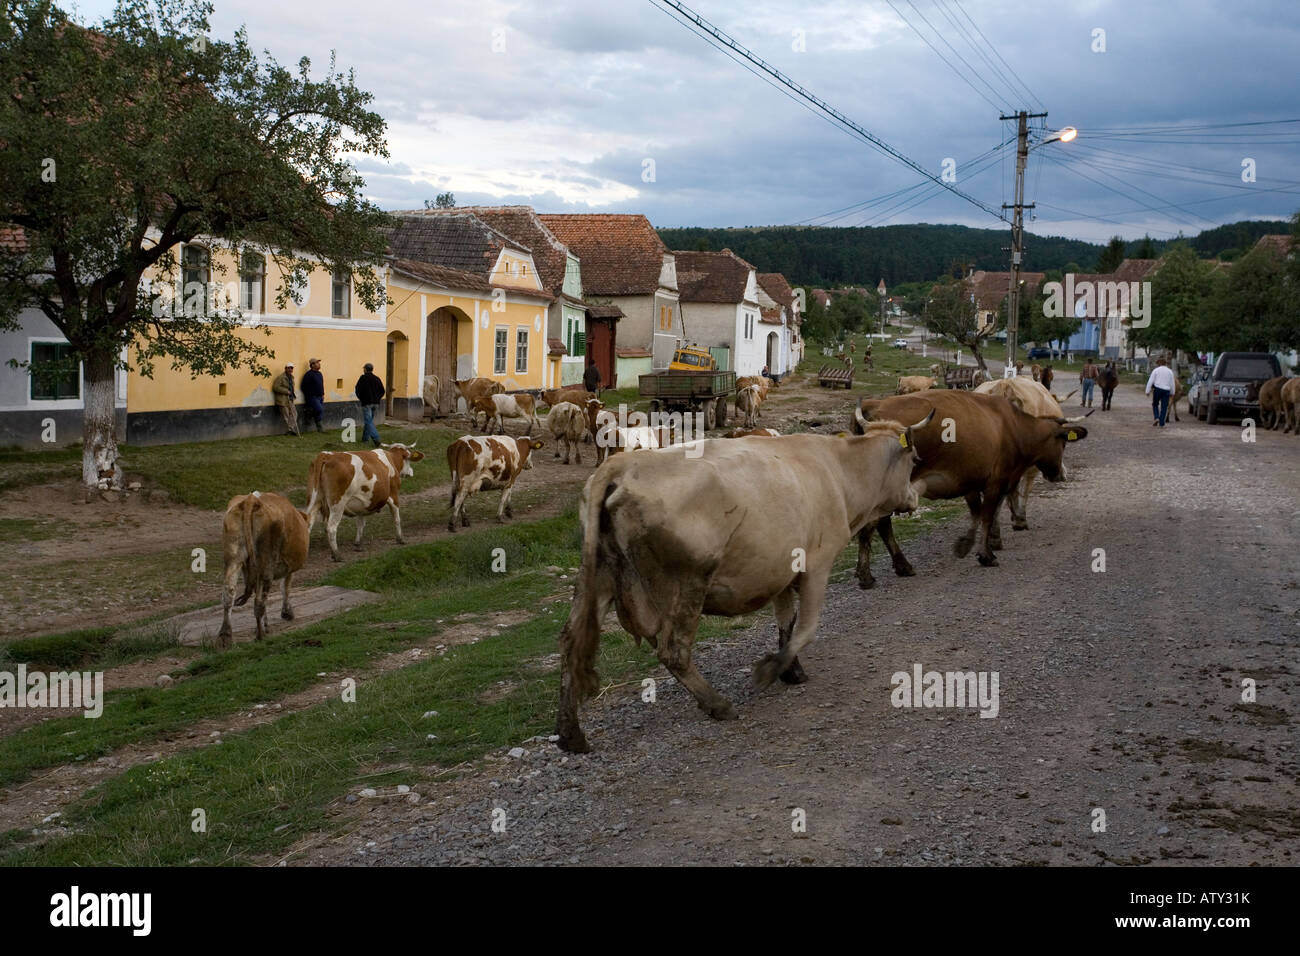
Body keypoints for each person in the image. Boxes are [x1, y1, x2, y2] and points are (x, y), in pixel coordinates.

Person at [355, 362, 386, 447]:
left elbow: (357, 389)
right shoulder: (377, 378)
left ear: (365, 369)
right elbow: (382, 391)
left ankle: (376, 439)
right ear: (372, 369)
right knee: (369, 421)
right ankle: (365, 439)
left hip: (366, 403)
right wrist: (377, 399)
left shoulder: (363, 378)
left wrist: (361, 398)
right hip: (375, 403)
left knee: (368, 422)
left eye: (363, 369)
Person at [1145, 356, 1175, 427]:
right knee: (1164, 406)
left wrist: (1147, 391)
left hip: (1157, 389)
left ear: (1158, 363)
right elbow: (1172, 383)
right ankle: (1161, 422)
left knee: (1155, 404)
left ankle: (1156, 417)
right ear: (1165, 364)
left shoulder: (1156, 370)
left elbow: (1150, 381)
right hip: (1166, 391)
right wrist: (1172, 392)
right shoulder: (1170, 371)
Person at [272, 362, 299, 436]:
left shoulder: (292, 377)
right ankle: (291, 430)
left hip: (290, 399)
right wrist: (285, 391)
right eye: (289, 368)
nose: (290, 369)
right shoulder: (281, 377)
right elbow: (275, 387)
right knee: (286, 415)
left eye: (291, 368)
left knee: (294, 414)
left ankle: (290, 429)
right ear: (285, 368)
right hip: (283, 399)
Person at [301, 358, 325, 433]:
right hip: (312, 397)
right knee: (319, 409)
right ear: (312, 365)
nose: (319, 364)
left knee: (319, 411)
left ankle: (320, 429)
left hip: (320, 397)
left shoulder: (320, 374)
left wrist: (323, 393)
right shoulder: (309, 374)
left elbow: (321, 384)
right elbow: (303, 386)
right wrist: (309, 395)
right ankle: (309, 414)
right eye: (317, 363)